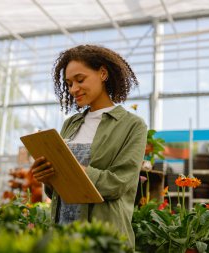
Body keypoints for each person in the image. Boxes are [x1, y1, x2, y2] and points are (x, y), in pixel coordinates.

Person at [30, 44, 147, 248]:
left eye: (80, 80)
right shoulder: (71, 124)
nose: (73, 89)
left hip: (103, 237)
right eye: (68, 83)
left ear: (102, 73)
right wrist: (48, 177)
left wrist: (76, 171)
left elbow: (121, 183)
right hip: (63, 234)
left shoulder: (132, 125)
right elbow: (58, 192)